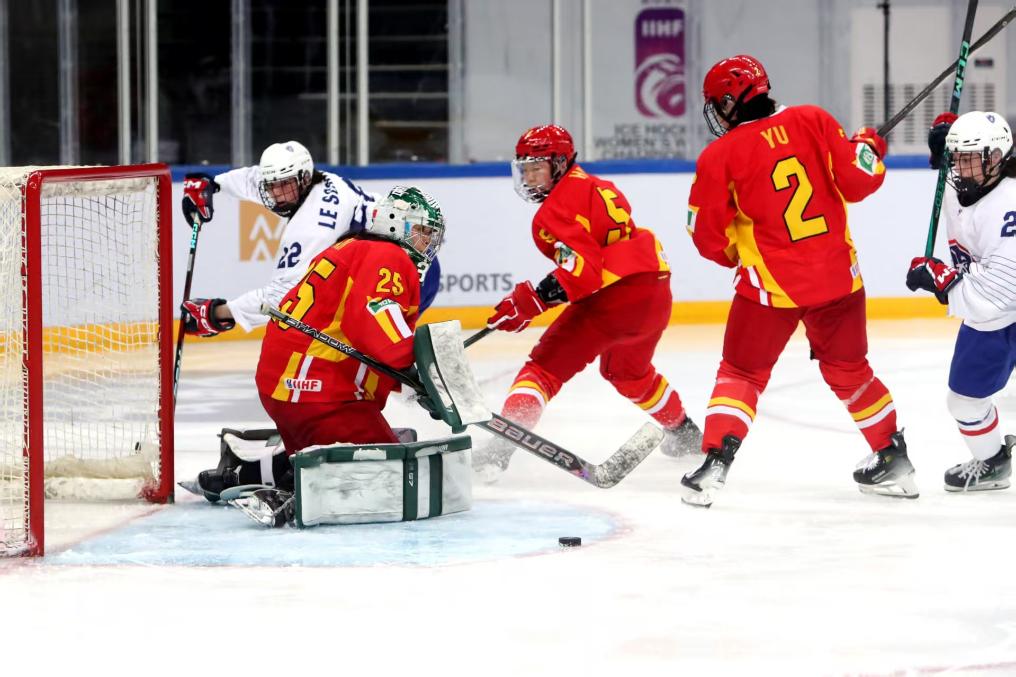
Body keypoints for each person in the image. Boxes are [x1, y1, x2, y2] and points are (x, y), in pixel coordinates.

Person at [682, 54, 915, 507]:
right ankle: (894, 457)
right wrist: (867, 148)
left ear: (729, 102)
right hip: (838, 281)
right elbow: (860, 182)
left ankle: (714, 465)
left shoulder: (719, 156)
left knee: (741, 372)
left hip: (770, 289)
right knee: (850, 371)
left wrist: (734, 255)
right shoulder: (813, 119)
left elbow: (706, 236)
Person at [471, 124, 701, 482]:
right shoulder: (597, 185)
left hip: (613, 300)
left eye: (537, 168)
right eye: (525, 169)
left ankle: (500, 450)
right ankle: (685, 432)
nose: (529, 178)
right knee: (628, 373)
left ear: (560, 164)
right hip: (654, 289)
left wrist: (533, 300)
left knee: (542, 370)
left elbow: (584, 272)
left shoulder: (552, 212)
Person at [195, 186, 446, 499]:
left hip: (290, 386)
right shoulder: (389, 256)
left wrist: (412, 380)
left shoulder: (354, 245)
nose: (427, 242)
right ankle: (286, 480)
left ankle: (246, 471)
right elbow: (373, 323)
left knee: (379, 449)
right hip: (317, 395)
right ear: (396, 223)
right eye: (423, 231)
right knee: (394, 479)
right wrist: (417, 370)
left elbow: (360, 334)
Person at [178, 140, 441, 338]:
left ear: (303, 178)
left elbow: (282, 298)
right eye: (273, 185)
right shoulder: (318, 180)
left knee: (367, 350)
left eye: (284, 185)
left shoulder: (312, 227)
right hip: (405, 266)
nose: (277, 194)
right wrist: (213, 183)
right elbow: (258, 178)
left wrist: (218, 314)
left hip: (403, 278)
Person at [905, 110, 1016, 492]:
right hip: (995, 321)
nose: (960, 168)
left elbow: (1001, 291)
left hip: (1005, 310)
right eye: (957, 158)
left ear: (997, 157)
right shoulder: (968, 180)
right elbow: (952, 172)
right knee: (964, 401)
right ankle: (993, 464)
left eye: (970, 158)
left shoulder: (1008, 205)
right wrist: (946, 139)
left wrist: (944, 281)